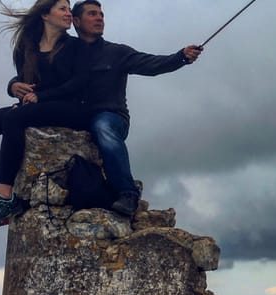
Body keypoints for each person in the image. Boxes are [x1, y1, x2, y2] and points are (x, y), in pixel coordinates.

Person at [0, 0, 93, 229]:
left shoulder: (75, 46)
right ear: (45, 15)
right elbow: (24, 80)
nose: (69, 14)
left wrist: (42, 97)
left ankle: (5, 196)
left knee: (14, 118)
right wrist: (14, 87)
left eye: (69, 9)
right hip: (38, 107)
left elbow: (80, 84)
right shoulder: (26, 46)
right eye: (63, 8)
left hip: (72, 108)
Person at [64, 0, 202, 216]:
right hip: (76, 115)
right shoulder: (66, 51)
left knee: (103, 127)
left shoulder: (117, 52)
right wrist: (15, 85)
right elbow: (39, 69)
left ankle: (128, 194)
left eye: (101, 14)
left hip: (111, 117)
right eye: (92, 14)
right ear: (76, 21)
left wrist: (181, 57)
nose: (100, 18)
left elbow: (152, 65)